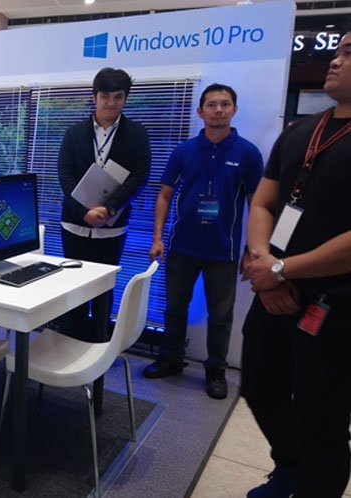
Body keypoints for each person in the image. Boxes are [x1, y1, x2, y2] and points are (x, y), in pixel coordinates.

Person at [241, 29, 351, 498]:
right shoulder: (301, 132)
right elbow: (263, 203)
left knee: (321, 416)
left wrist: (283, 270)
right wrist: (266, 268)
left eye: (348, 53)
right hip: (274, 290)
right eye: (338, 50)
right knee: (258, 386)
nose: (335, 60)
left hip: (336, 303)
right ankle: (288, 467)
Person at [142, 83, 263, 400]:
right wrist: (157, 238)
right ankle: (171, 359)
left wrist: (252, 250)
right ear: (200, 111)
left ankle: (216, 370)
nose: (218, 110)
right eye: (211, 104)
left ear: (234, 109)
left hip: (223, 251)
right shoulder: (183, 151)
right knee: (174, 309)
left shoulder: (248, 153)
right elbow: (164, 195)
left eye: (225, 104)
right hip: (182, 247)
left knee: (220, 316)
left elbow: (258, 204)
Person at [57, 67, 151, 343]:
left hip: (113, 228)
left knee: (103, 291)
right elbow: (65, 176)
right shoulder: (74, 134)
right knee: (74, 288)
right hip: (74, 225)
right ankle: (70, 344)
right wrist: (84, 212)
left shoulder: (137, 134)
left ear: (125, 98)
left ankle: (99, 344)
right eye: (105, 96)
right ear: (94, 96)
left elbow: (140, 177)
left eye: (118, 96)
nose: (111, 103)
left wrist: (109, 208)